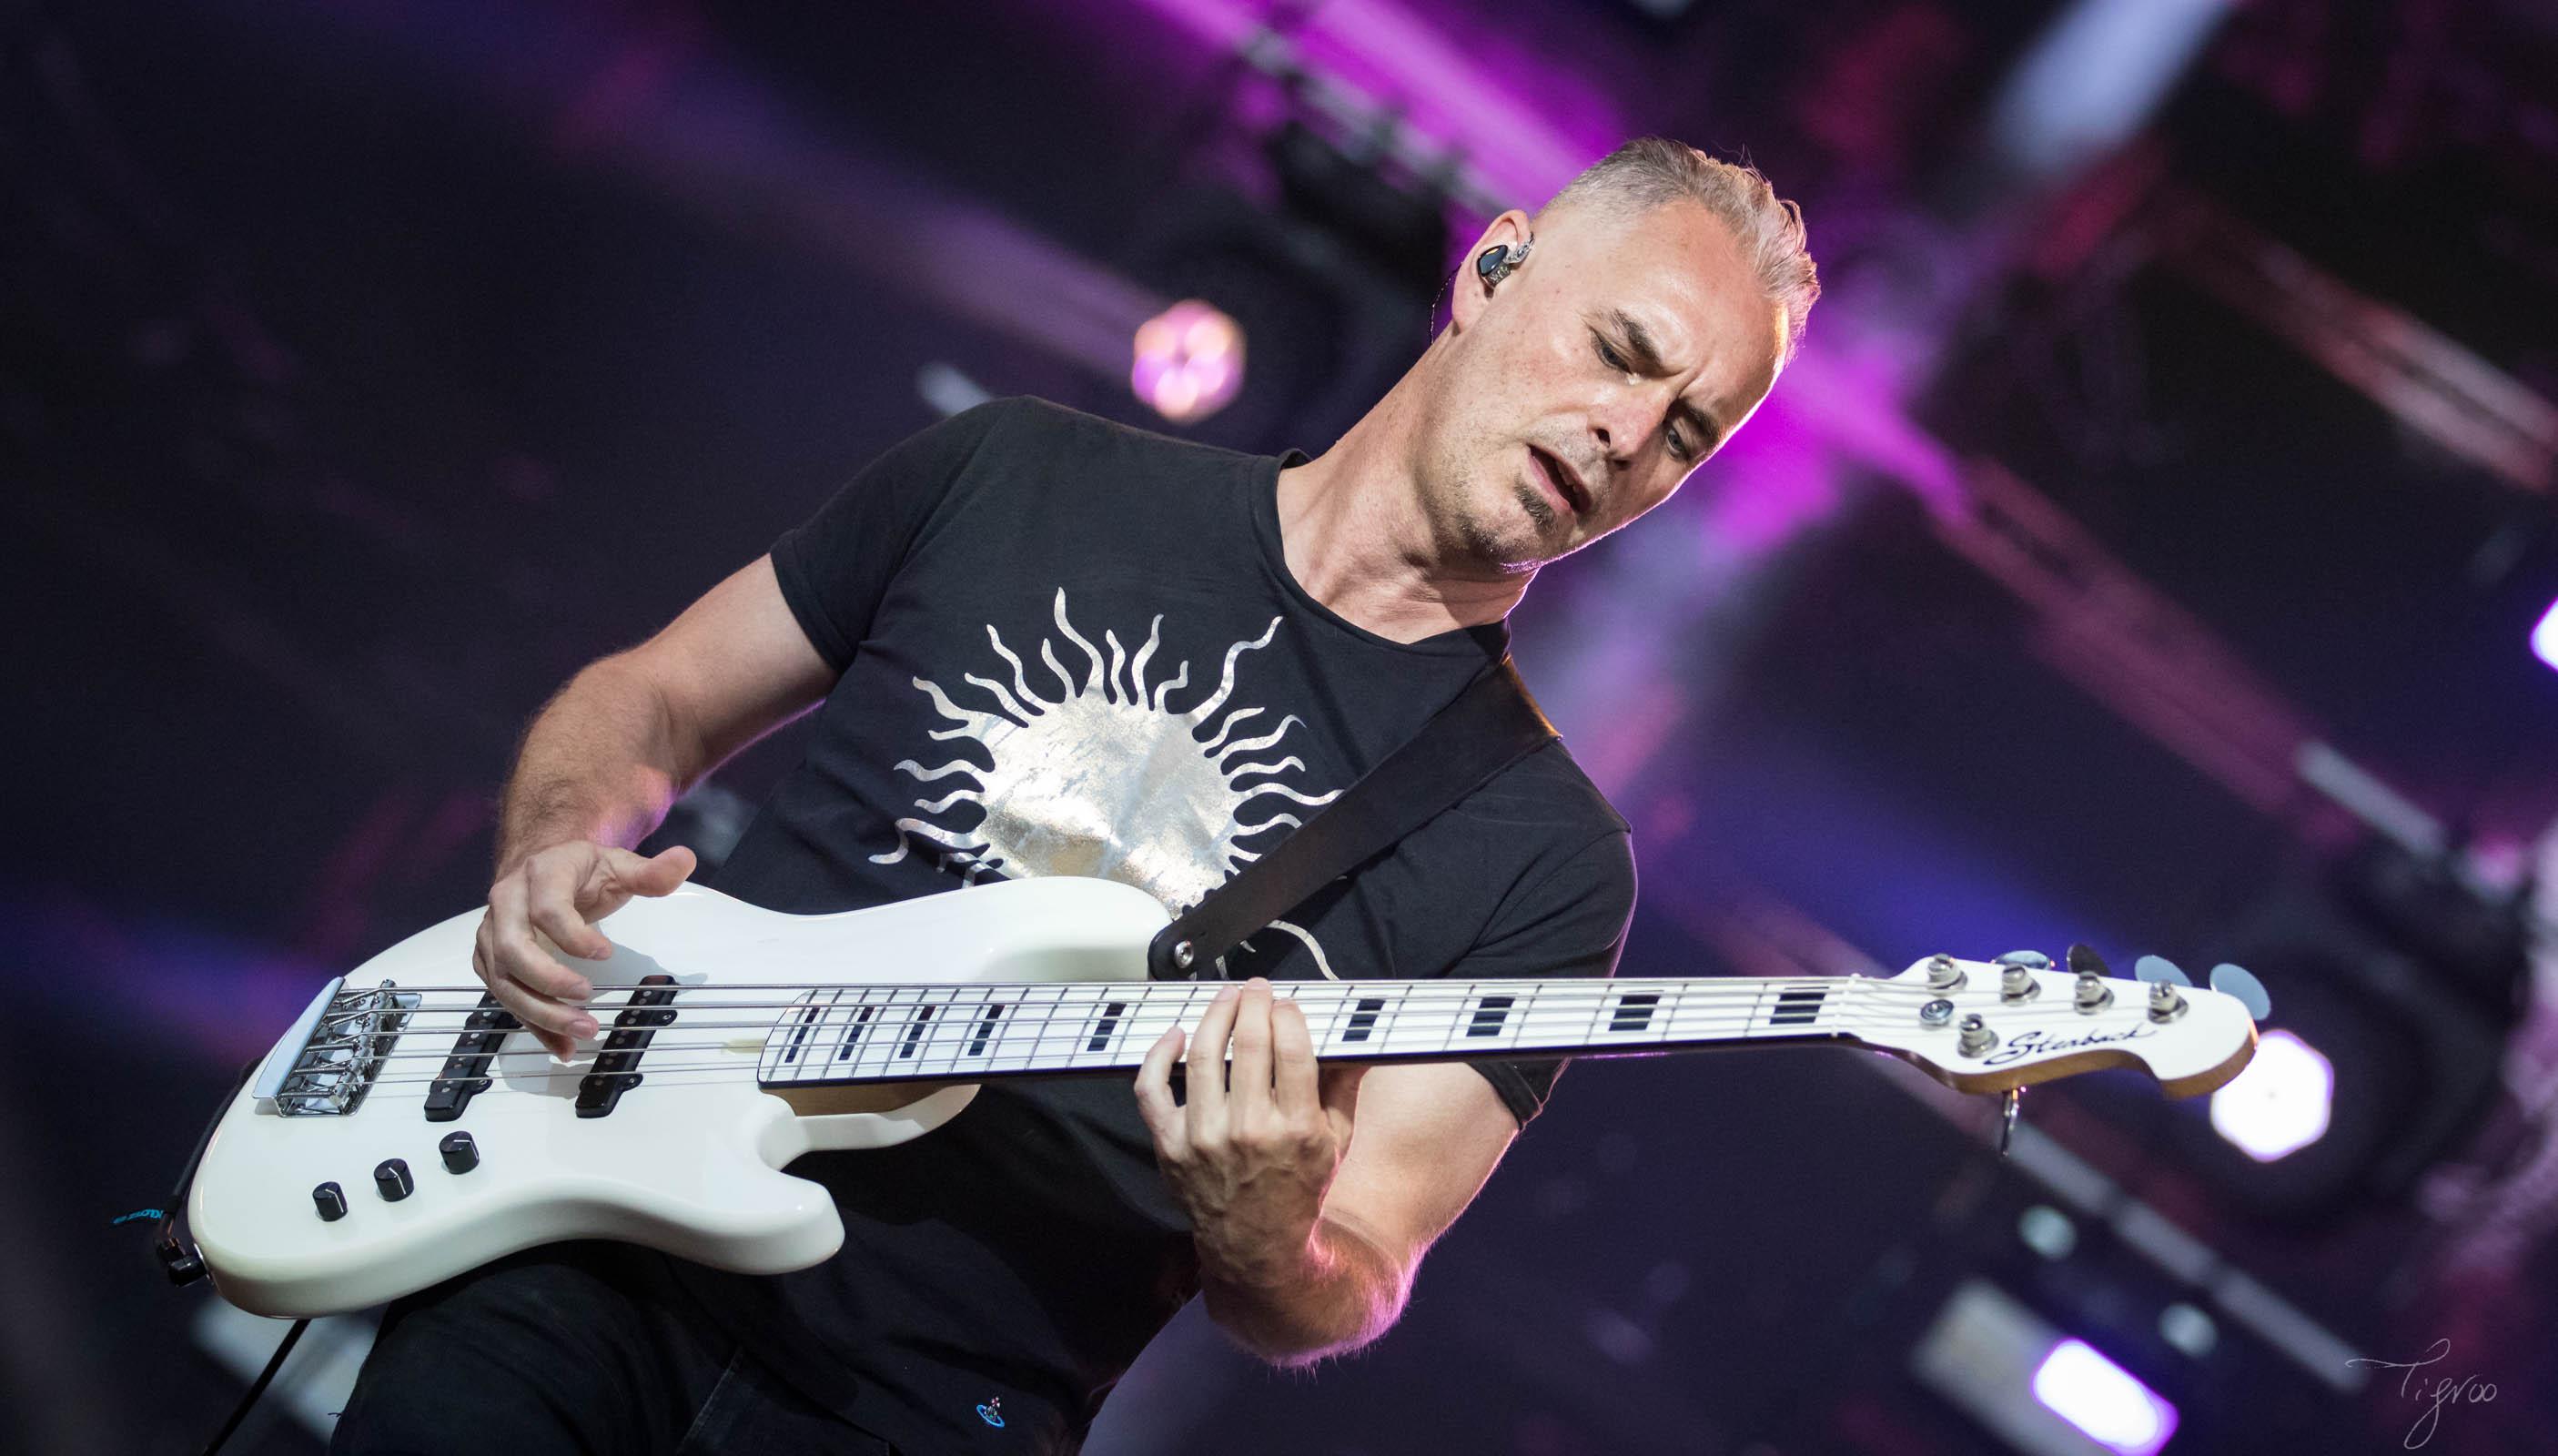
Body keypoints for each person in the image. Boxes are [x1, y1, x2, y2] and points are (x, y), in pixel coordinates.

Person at [330, 136, 1817, 1455]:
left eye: (1688, 433)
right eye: (1620, 351)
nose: (1629, 434)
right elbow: (647, 701)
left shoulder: (1544, 854)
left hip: (924, 1411)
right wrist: (551, 851)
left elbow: (1359, 1260)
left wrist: (1274, 1239)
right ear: (1494, 267)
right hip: (584, 1249)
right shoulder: (1026, 473)